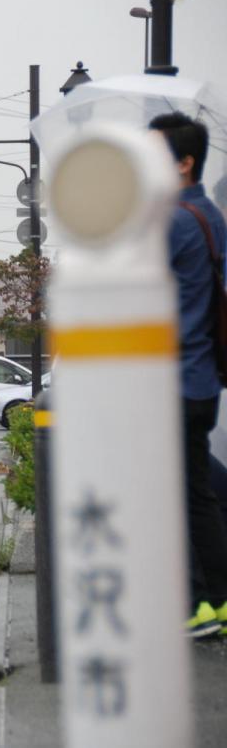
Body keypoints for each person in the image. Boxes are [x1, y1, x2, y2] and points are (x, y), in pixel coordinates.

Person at [150, 111, 227, 637]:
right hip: (202, 378)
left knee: (174, 497)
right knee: (196, 494)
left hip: (173, 381)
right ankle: (216, 604)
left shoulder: (172, 221)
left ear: (183, 161)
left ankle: (194, 605)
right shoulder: (210, 215)